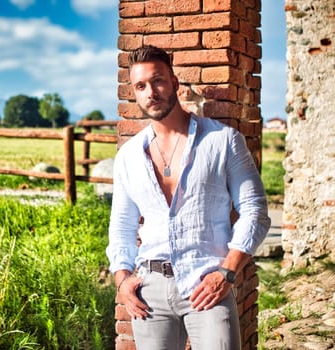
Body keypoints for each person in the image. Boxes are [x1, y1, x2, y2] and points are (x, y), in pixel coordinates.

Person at [106, 45, 271, 350]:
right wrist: (123, 279)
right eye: (141, 86)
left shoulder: (222, 141)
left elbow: (255, 211)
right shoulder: (128, 157)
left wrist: (227, 271)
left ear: (175, 83)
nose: (150, 93)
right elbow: (121, 226)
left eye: (157, 81)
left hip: (207, 283)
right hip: (150, 289)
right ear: (134, 93)